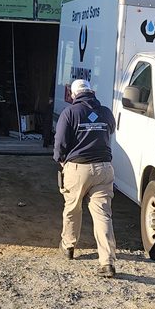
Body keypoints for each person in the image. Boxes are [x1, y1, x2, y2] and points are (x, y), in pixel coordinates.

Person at [53, 78, 118, 278]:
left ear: (73, 95)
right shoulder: (106, 112)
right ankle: (107, 262)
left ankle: (69, 246)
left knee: (73, 207)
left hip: (78, 168)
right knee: (102, 214)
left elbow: (60, 143)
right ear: (92, 92)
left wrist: (60, 160)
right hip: (104, 168)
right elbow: (110, 132)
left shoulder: (70, 113)